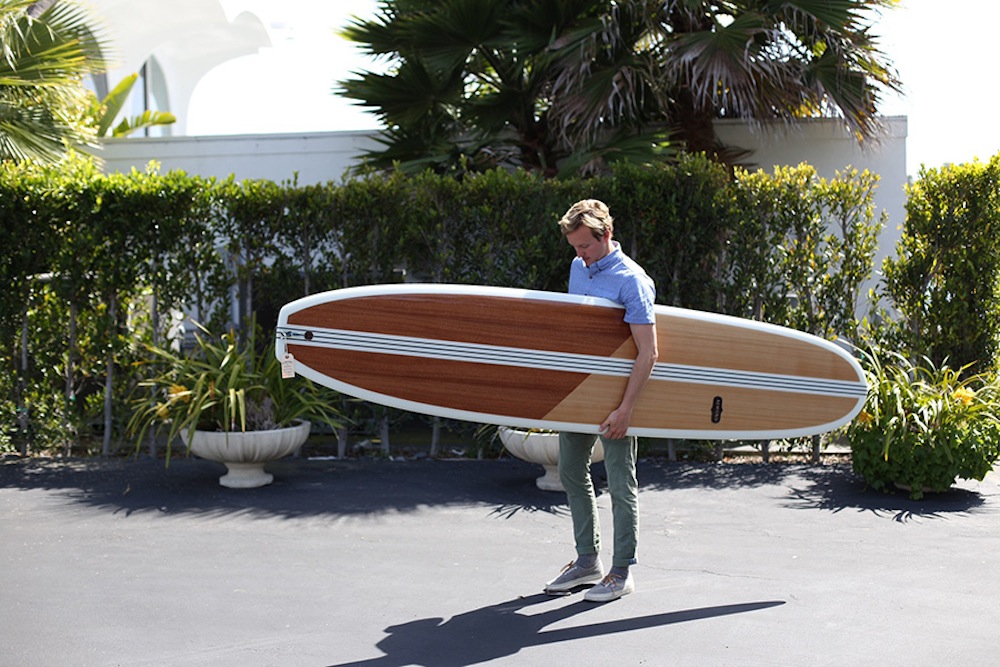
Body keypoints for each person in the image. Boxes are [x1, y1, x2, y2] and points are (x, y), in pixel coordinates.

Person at [544, 199, 658, 603]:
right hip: (582, 392)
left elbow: (648, 352)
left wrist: (625, 409)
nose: (580, 255)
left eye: (585, 247)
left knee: (620, 480)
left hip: (618, 396)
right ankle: (587, 561)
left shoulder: (632, 280)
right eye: (574, 247)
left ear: (605, 235)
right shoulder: (578, 267)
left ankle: (621, 569)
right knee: (572, 470)